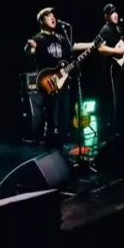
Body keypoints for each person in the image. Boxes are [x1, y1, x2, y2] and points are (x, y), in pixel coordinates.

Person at [24, 8, 94, 148]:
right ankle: (51, 147)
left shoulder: (61, 38)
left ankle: (61, 146)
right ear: (41, 21)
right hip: (48, 83)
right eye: (48, 16)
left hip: (63, 82)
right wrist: (28, 47)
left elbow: (73, 46)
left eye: (53, 15)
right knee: (52, 119)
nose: (53, 18)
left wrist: (92, 44)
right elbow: (29, 51)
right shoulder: (38, 38)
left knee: (64, 117)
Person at [95, 3, 124, 134]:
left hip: (122, 68)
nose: (115, 15)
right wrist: (116, 51)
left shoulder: (119, 29)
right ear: (106, 16)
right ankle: (115, 131)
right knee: (115, 101)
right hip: (111, 69)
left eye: (115, 12)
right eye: (111, 13)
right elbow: (100, 48)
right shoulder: (105, 30)